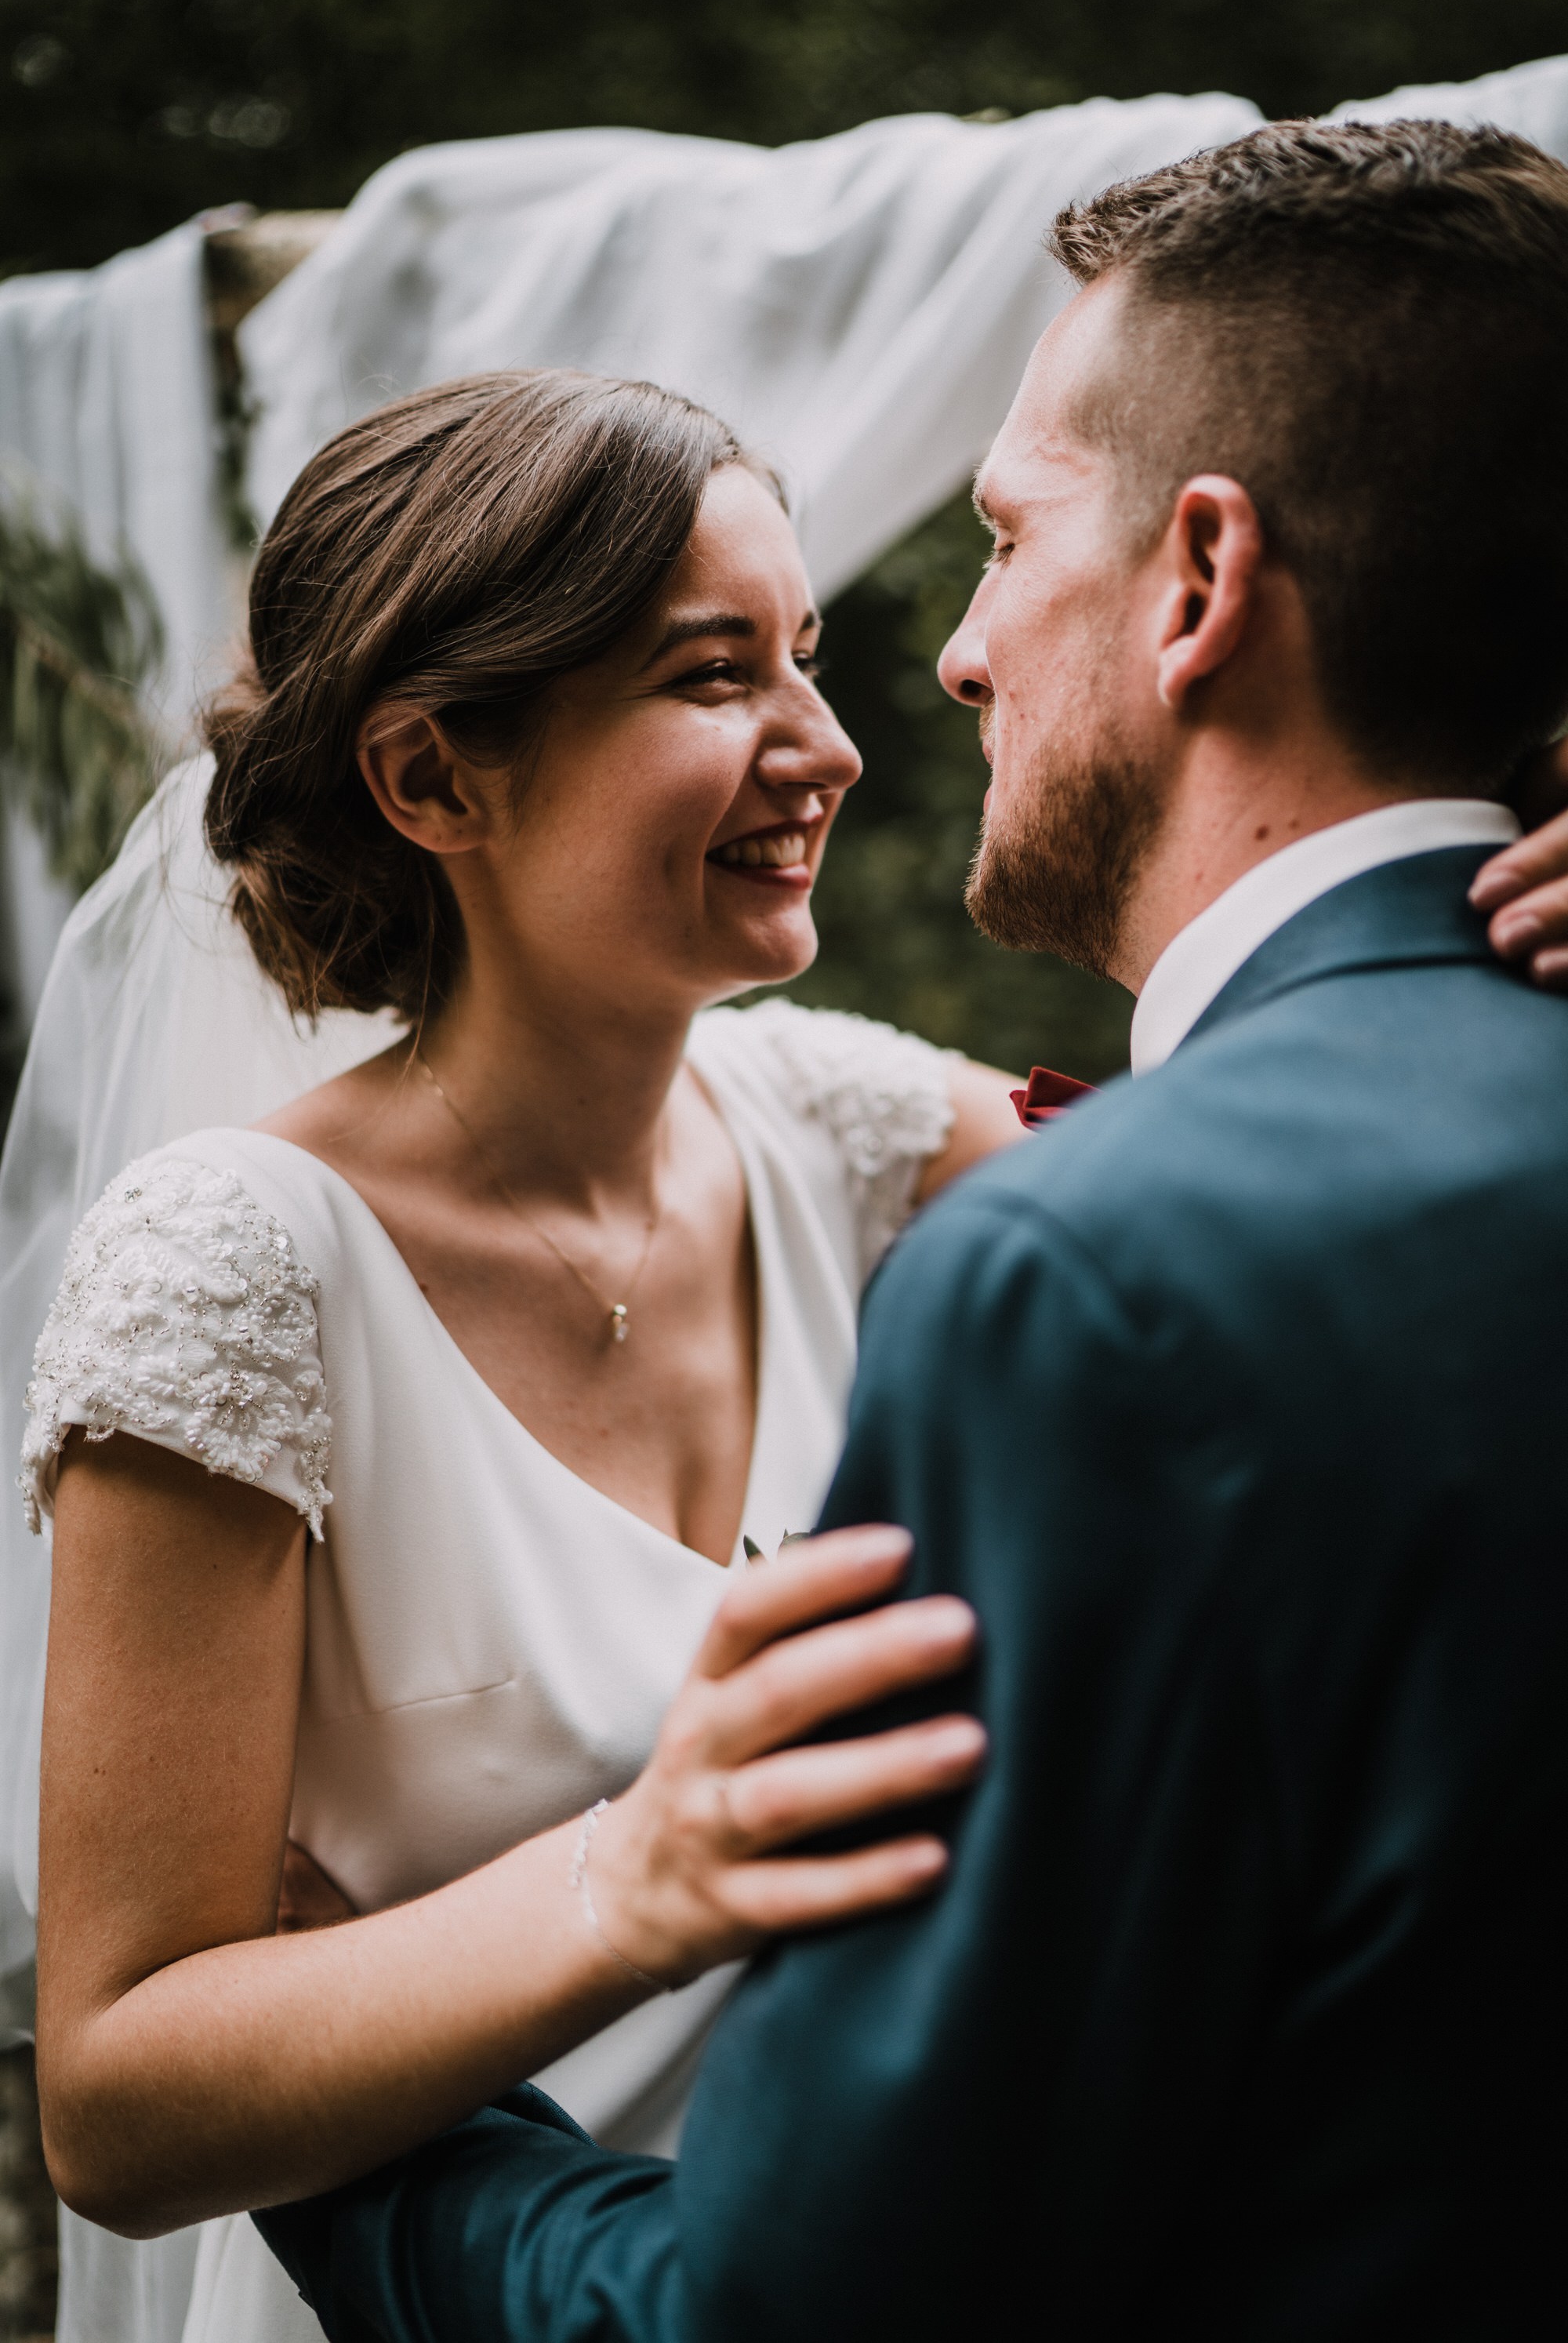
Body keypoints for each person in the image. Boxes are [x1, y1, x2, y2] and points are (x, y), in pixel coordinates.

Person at [256, 117, 1568, 2341]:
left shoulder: (1083, 1272)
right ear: (429, 780)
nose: (941, 664)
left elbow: (815, 2303)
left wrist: (384, 2154)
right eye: (711, 669)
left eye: (1003, 534)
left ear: (1202, 576)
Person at [24, 371, 1011, 2343]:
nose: (822, 745)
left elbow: (1312, 1171)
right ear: (433, 780)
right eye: (711, 676)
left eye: (803, 658)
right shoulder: (233, 1263)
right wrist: (632, 1874)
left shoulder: (852, 1136)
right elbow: (116, 2095)